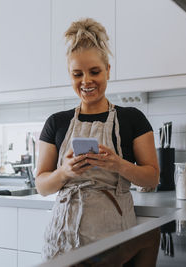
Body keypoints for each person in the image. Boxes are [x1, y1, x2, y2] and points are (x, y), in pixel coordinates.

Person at [35, 18, 159, 260]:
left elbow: (152, 177)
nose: (86, 81)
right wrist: (65, 172)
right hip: (62, 240)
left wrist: (118, 165)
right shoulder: (56, 122)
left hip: (113, 239)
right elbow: (41, 185)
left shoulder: (132, 118)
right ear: (69, 75)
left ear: (108, 70)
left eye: (94, 72)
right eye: (77, 74)